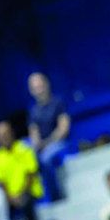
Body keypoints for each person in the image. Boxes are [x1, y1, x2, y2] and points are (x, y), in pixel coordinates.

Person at [0, 121, 44, 220]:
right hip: (11, 196)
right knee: (0, 207)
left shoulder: (24, 148)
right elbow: (1, 183)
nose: (4, 137)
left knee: (26, 202)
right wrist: (10, 198)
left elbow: (31, 175)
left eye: (6, 134)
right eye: (0, 135)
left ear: (12, 133)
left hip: (30, 190)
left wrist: (20, 194)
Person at [27, 72, 69, 202]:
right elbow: (33, 133)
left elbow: (63, 129)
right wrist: (37, 145)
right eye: (35, 88)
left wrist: (47, 143)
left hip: (60, 144)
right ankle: (35, 199)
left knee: (45, 158)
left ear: (47, 85)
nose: (39, 90)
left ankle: (55, 197)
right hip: (43, 146)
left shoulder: (58, 103)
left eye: (40, 86)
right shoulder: (33, 111)